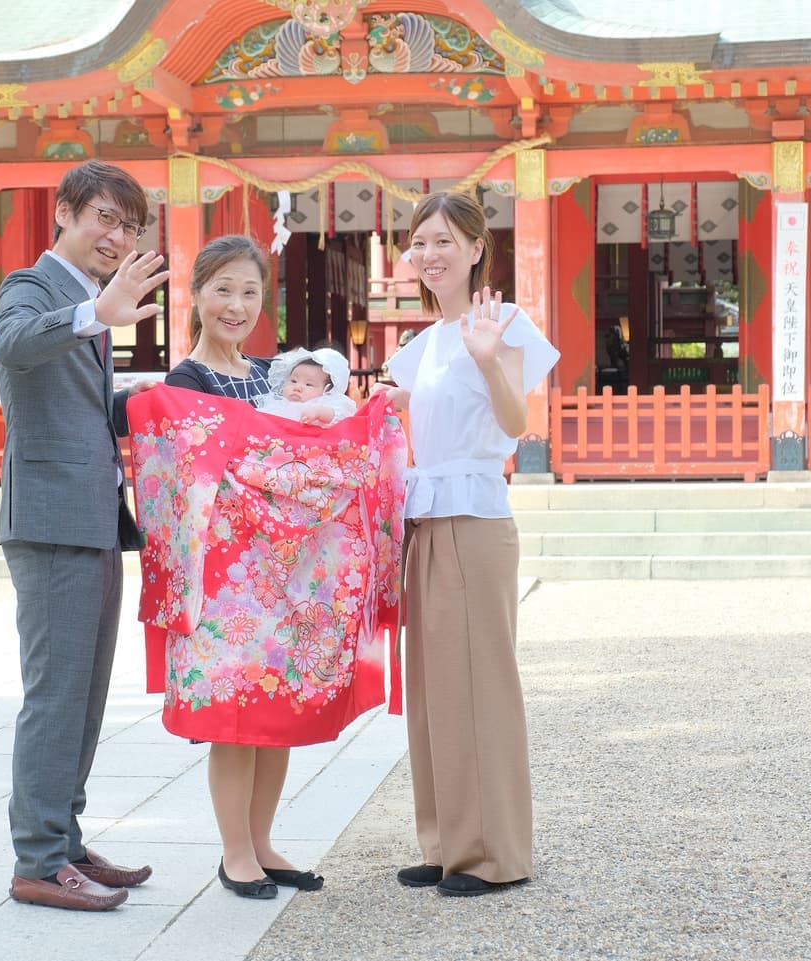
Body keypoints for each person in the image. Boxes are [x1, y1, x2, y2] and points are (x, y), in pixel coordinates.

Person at [0, 159, 170, 912]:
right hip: (52, 519)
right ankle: (37, 859)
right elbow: (15, 344)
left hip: (95, 518)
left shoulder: (88, 301)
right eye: (105, 217)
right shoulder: (34, 287)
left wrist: (182, 393)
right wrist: (99, 312)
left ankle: (63, 839)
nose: (117, 235)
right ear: (64, 211)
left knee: (86, 695)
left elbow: (89, 405)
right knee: (57, 695)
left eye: (130, 226)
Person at [376, 191, 560, 897]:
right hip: (424, 519)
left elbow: (515, 425)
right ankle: (445, 838)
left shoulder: (504, 324)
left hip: (476, 518)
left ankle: (492, 852)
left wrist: (487, 360)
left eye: (445, 241)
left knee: (480, 679)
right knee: (431, 684)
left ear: (478, 248)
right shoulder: (416, 349)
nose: (429, 255)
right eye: (419, 242)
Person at [161, 235, 329, 899]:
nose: (237, 304)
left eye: (250, 291)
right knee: (235, 715)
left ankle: (263, 841)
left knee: (274, 711)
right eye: (223, 289)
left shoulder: (267, 376)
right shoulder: (186, 380)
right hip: (222, 577)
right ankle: (235, 852)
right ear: (197, 294)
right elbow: (193, 478)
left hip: (278, 570)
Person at [254, 346, 358, 425]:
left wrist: (320, 413)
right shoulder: (278, 404)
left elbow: (343, 414)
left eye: (309, 384)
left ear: (328, 390)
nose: (297, 387)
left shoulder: (327, 403)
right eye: (293, 381)